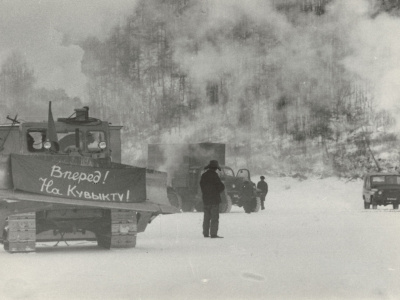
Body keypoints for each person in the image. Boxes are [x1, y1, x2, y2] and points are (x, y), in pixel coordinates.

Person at [200, 160, 225, 238]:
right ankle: (213, 234)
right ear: (215, 168)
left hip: (206, 199)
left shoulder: (203, 175)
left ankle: (205, 233)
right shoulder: (215, 176)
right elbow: (220, 187)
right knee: (214, 217)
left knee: (206, 217)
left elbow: (201, 186)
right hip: (214, 200)